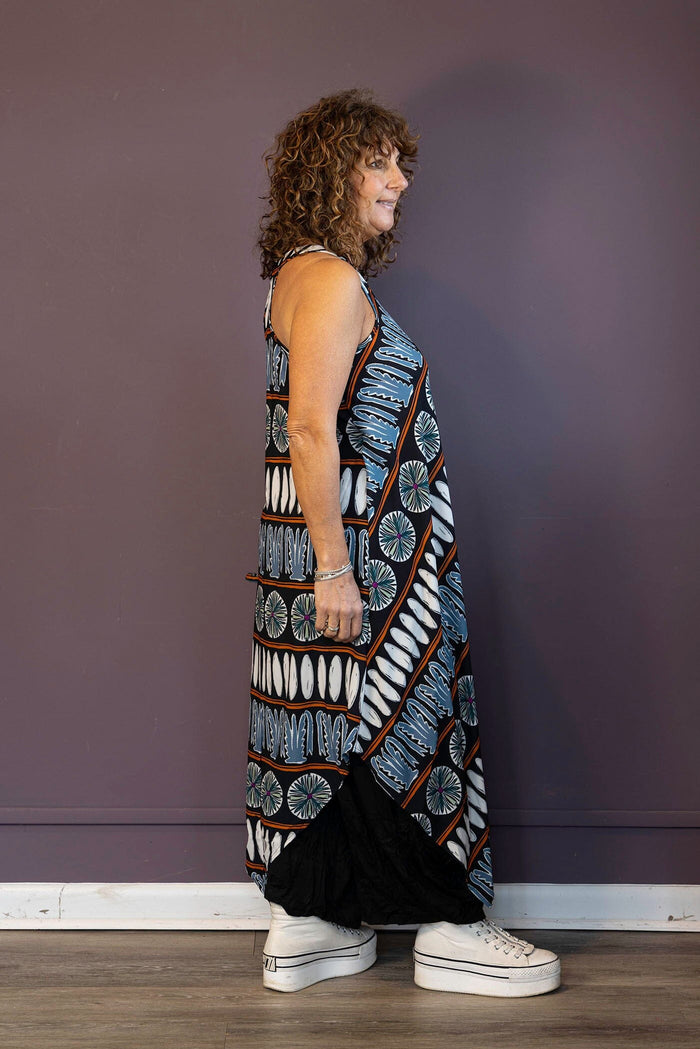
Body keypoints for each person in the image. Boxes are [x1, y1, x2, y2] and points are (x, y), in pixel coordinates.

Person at [244, 87, 561, 997]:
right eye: (376, 162)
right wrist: (337, 568)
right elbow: (311, 428)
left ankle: (311, 922)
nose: (399, 180)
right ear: (329, 173)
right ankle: (451, 929)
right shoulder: (332, 282)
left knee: (329, 728)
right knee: (400, 724)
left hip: (325, 555)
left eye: (399, 163)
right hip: (360, 563)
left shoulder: (300, 275)